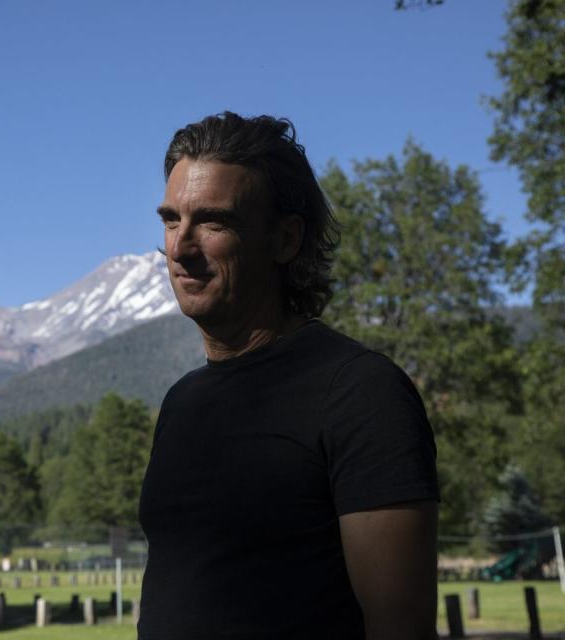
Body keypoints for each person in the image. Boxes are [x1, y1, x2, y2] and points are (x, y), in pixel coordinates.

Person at [137, 112, 439, 640]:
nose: (179, 248)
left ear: (285, 239)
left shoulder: (359, 393)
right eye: (170, 220)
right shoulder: (182, 402)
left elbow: (400, 626)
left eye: (212, 222)